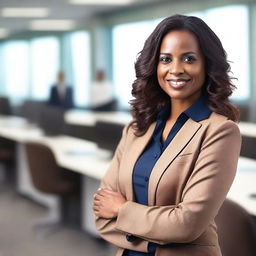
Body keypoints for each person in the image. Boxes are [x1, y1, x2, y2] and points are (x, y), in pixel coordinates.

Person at [93, 14, 241, 256]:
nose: (176, 69)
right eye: (165, 59)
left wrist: (122, 210)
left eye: (189, 59)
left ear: (207, 65)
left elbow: (187, 224)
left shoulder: (219, 131)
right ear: (154, 65)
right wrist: (155, 242)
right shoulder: (136, 128)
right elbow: (101, 212)